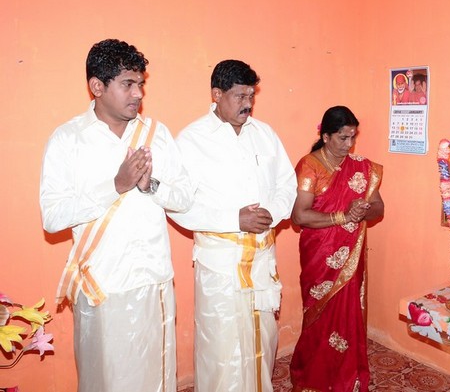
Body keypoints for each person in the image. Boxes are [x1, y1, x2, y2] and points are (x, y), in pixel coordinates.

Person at [40, 39, 193, 391]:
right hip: (102, 285)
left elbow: (184, 199)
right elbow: (52, 217)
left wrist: (150, 185)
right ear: (97, 86)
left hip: (153, 280)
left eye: (140, 83)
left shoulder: (156, 134)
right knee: (106, 380)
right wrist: (115, 185)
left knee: (157, 379)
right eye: (128, 84)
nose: (138, 93)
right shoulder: (68, 139)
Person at [167, 60, 297, 392]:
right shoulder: (192, 140)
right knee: (221, 348)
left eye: (251, 95)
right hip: (220, 267)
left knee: (263, 339)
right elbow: (177, 204)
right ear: (217, 95)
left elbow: (287, 184)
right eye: (240, 96)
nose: (248, 103)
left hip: (261, 262)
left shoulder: (264, 134)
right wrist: (233, 220)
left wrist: (272, 212)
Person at [289, 106, 384, 391]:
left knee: (347, 313)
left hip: (350, 256)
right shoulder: (310, 166)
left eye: (353, 137)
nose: (349, 144)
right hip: (320, 255)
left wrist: (362, 209)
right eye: (343, 138)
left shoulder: (362, 167)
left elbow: (379, 208)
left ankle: (347, 375)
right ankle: (314, 376)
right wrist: (344, 216)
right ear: (326, 136)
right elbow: (299, 216)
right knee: (319, 315)